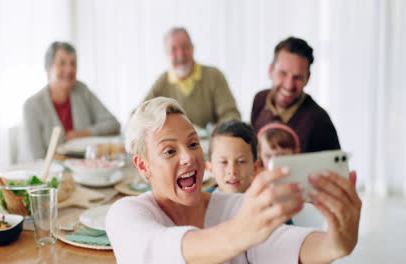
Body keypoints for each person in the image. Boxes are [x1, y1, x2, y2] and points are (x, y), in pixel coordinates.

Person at [106, 97, 362, 263]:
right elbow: (160, 251)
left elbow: (286, 245)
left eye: (193, 144)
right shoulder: (125, 215)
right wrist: (242, 231)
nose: (188, 158)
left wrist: (337, 243)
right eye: (170, 151)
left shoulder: (235, 207)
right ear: (143, 166)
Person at [21, 41, 120, 161]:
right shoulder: (32, 106)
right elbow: (37, 158)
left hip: (86, 167)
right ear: (49, 67)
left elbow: (113, 124)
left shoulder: (82, 90)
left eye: (73, 64)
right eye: (62, 63)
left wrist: (84, 133)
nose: (69, 69)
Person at [251, 36, 341, 153]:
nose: (289, 85)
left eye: (298, 77)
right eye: (283, 73)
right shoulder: (260, 100)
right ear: (271, 70)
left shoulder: (319, 120)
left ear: (307, 79)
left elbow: (337, 169)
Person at [142, 27, 241, 128]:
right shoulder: (162, 82)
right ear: (166, 54)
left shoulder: (214, 76)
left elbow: (231, 115)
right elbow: (139, 116)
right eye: (174, 49)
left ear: (193, 48)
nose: (181, 54)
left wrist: (220, 129)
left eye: (185, 47)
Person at [205, 120, 258, 193]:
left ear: (255, 167)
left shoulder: (265, 201)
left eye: (241, 161)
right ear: (210, 169)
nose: (232, 171)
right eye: (223, 162)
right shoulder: (202, 202)